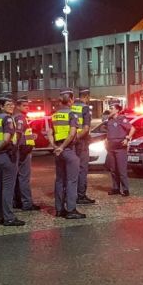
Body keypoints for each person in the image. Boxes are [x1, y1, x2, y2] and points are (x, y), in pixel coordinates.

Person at [0, 96, 25, 226]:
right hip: (6, 155)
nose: (11, 106)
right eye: (8, 104)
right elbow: (7, 139)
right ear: (1, 106)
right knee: (8, 188)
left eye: (12, 104)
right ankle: (9, 217)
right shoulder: (7, 118)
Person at [50, 89, 86, 219]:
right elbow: (72, 134)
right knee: (72, 181)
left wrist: (55, 147)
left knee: (59, 180)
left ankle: (59, 209)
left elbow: (49, 133)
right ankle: (71, 210)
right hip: (69, 150)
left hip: (58, 151)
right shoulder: (72, 114)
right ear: (70, 100)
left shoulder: (54, 115)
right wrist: (63, 147)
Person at [13, 96, 40, 211]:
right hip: (23, 150)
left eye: (28, 105)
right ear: (18, 106)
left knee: (17, 177)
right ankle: (27, 203)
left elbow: (22, 134)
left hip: (20, 149)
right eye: (24, 106)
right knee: (24, 178)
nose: (27, 108)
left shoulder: (15, 117)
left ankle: (17, 201)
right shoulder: (20, 117)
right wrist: (20, 149)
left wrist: (31, 137)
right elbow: (18, 134)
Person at [104, 104, 135, 196]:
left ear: (117, 110)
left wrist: (128, 138)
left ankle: (125, 190)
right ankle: (116, 188)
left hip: (120, 148)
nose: (110, 110)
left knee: (121, 170)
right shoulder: (109, 120)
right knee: (113, 169)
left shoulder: (122, 119)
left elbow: (132, 129)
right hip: (111, 148)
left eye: (112, 108)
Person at [72, 87, 96, 205]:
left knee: (72, 169)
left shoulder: (71, 106)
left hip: (70, 142)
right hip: (81, 142)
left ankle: (71, 194)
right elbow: (86, 128)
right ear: (86, 96)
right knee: (82, 169)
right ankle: (81, 195)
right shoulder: (85, 108)